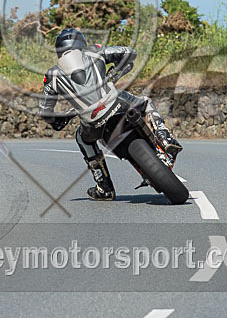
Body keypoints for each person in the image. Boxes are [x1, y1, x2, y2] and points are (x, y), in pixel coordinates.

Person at [38, 28, 183, 201]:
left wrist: (57, 121)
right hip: (116, 103)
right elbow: (129, 52)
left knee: (82, 139)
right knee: (144, 102)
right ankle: (165, 137)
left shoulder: (51, 75)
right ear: (81, 43)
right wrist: (114, 73)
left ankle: (104, 186)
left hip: (90, 122)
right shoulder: (94, 51)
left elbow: (45, 111)